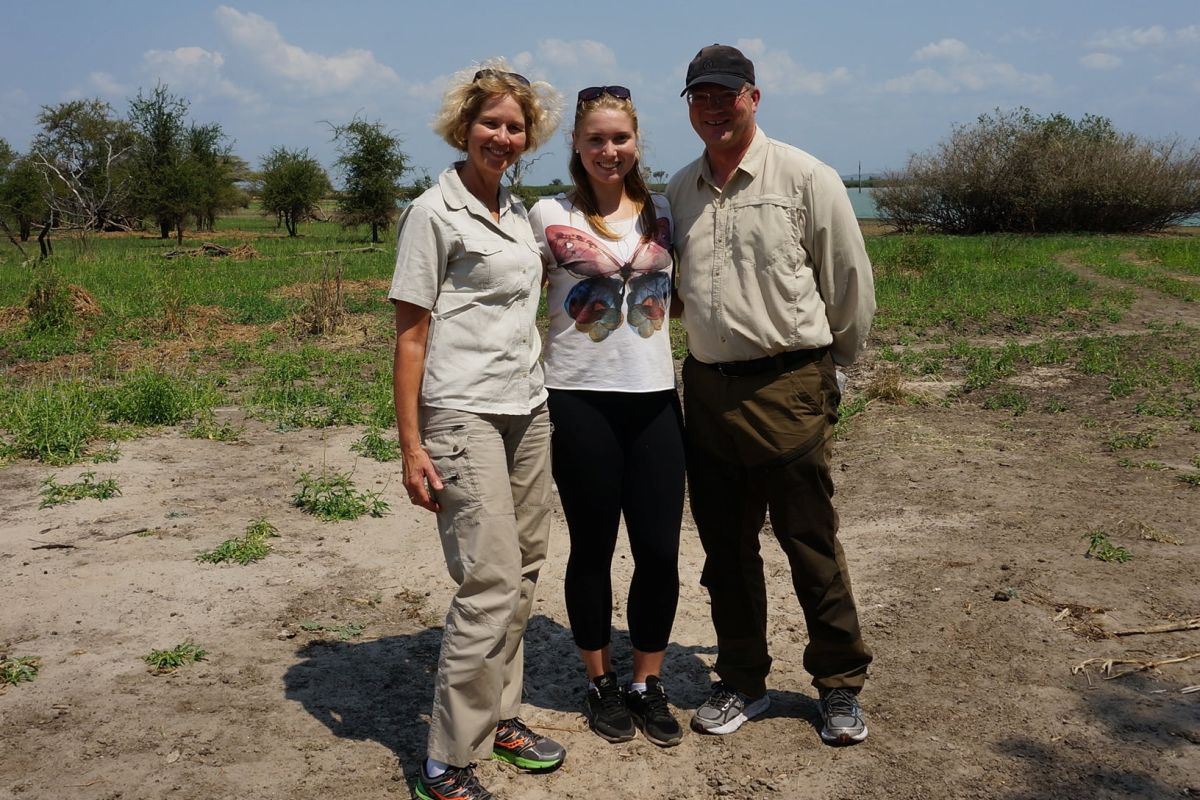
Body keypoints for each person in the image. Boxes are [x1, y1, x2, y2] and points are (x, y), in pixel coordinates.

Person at [666, 44, 876, 746]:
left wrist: (830, 372)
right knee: (725, 550)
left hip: (789, 385)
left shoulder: (805, 177)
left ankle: (839, 684)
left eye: (727, 95)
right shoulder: (681, 190)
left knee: (809, 542)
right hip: (707, 390)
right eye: (701, 97)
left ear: (754, 98)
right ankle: (742, 678)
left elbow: (848, 283)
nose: (714, 108)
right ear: (689, 107)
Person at [389, 61, 565, 800]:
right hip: (461, 413)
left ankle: (502, 717)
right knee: (488, 580)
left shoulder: (518, 213)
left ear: (529, 137)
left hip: (527, 408)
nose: (502, 136)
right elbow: (410, 337)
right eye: (490, 122)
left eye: (515, 126)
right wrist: (411, 446)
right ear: (464, 127)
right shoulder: (433, 212)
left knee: (523, 570)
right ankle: (446, 760)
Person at [528, 85, 686, 748]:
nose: (609, 150)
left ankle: (647, 683)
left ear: (636, 142)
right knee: (592, 548)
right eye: (595, 138)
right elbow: (515, 299)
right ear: (576, 144)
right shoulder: (548, 214)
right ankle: (600, 681)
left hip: (654, 401)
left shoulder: (664, 211)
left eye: (620, 138)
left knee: (659, 551)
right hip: (578, 399)